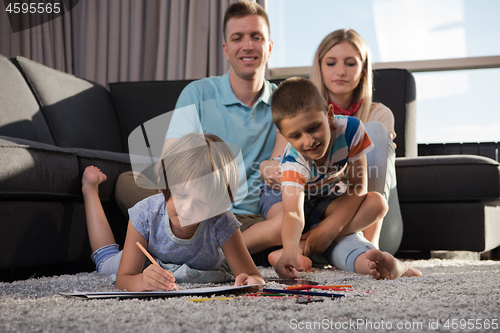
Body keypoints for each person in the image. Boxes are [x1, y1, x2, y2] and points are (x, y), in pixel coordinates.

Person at [113, 0, 288, 235]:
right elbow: (172, 155)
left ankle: (212, 246)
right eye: (237, 38)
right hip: (200, 209)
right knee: (126, 181)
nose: (247, 46)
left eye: (256, 37)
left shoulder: (284, 102)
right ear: (226, 49)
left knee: (289, 218)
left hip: (255, 217)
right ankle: (226, 246)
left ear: (269, 47)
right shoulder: (198, 92)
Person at [261, 77, 421, 280]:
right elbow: (293, 211)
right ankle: (228, 250)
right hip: (286, 197)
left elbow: (357, 188)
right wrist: (290, 249)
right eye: (296, 136)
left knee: (376, 204)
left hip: (323, 199)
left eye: (313, 128)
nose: (309, 141)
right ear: (283, 134)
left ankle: (376, 261)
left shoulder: (351, 129)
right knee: (283, 223)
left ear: (329, 115)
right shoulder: (293, 159)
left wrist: (329, 229)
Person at [83, 133, 265, 291]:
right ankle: (90, 190)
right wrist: (141, 281)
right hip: (141, 262)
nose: (187, 208)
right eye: (181, 194)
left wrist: (251, 281)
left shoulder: (222, 221)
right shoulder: (146, 213)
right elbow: (124, 279)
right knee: (105, 261)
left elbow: (252, 276)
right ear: (164, 187)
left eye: (201, 201)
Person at [308, 28, 402, 251]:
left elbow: (367, 177)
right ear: (319, 67)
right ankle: (334, 243)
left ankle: (371, 246)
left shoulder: (380, 114)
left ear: (363, 69)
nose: (340, 71)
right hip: (325, 214)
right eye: (331, 63)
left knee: (375, 131)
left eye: (350, 63)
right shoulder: (304, 117)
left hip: (373, 217)